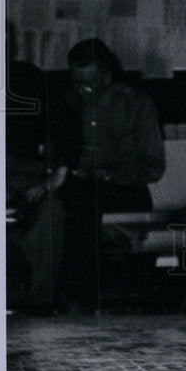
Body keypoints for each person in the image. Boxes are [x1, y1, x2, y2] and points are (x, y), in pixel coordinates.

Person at [60, 38, 166, 311]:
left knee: (88, 216)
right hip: (78, 185)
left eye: (90, 83)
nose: (83, 91)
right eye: (77, 82)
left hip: (123, 186)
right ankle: (77, 300)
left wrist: (110, 175)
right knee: (70, 210)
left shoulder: (136, 104)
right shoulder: (66, 101)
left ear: (107, 76)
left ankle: (89, 299)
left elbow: (152, 165)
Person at [5, 30, 79, 315]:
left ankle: (38, 305)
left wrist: (58, 172)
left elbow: (66, 124)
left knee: (52, 213)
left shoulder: (29, 78)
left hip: (24, 175)